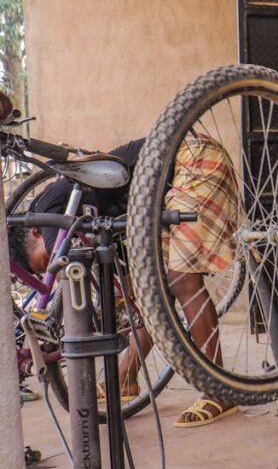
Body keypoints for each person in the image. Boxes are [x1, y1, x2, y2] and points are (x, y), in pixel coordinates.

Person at [9, 135, 242, 428]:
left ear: (36, 234)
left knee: (182, 281)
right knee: (150, 295)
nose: (48, 273)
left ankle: (218, 389)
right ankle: (124, 379)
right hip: (160, 190)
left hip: (192, 158)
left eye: (41, 263)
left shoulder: (47, 208)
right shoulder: (79, 211)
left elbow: (63, 261)